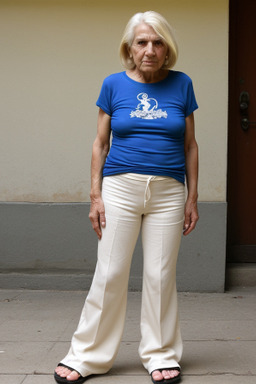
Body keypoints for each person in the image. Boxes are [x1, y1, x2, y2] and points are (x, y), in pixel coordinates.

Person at [54, 10, 199, 384]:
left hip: (169, 192)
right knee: (111, 272)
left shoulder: (182, 84)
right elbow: (100, 143)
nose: (149, 49)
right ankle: (87, 356)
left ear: (167, 49)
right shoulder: (113, 85)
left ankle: (161, 353)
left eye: (157, 42)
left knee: (160, 275)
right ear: (129, 48)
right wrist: (95, 195)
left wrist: (192, 198)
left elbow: (190, 145)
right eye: (142, 42)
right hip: (120, 188)